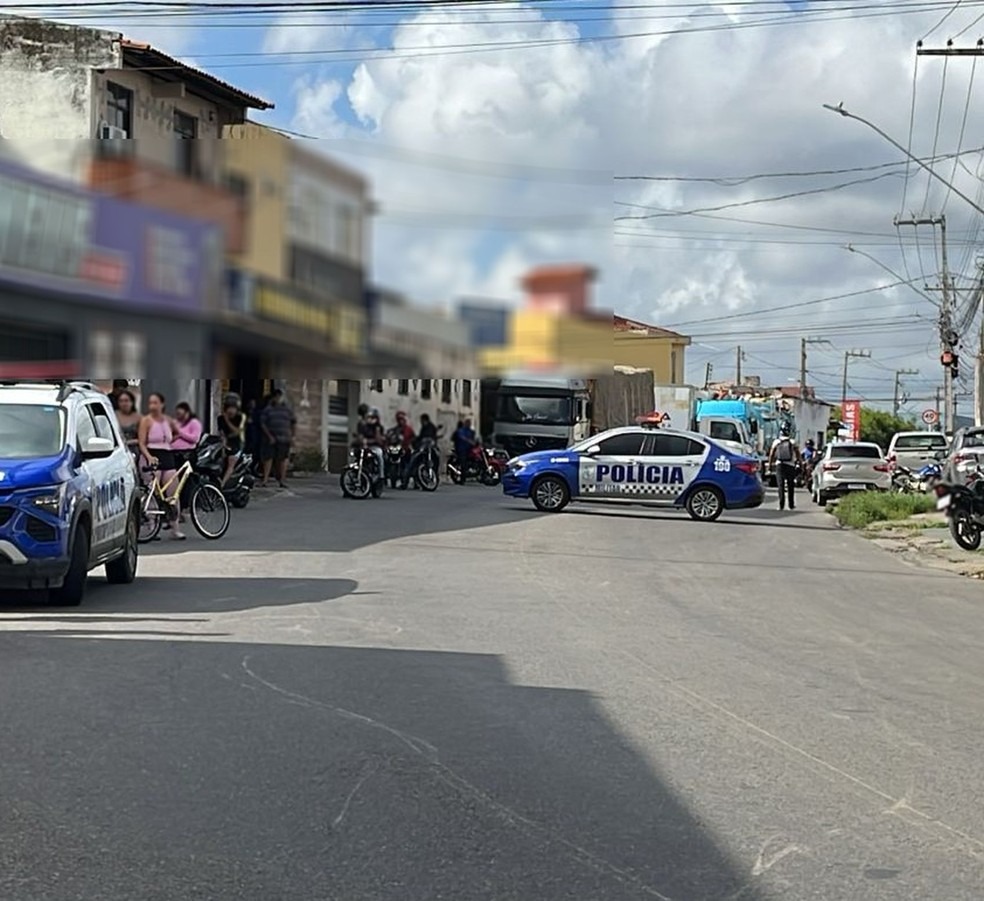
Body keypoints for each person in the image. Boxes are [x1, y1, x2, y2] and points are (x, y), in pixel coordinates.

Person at [138, 392, 184, 540]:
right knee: (152, 492)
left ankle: (175, 527)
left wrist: (170, 442)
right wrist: (149, 457)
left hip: (167, 455)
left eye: (155, 403)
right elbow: (141, 442)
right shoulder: (146, 421)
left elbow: (178, 433)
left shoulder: (168, 420)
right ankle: (152, 525)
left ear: (162, 404)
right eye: (150, 403)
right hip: (151, 455)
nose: (153, 406)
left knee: (173, 493)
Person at [260, 388, 296, 489]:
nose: (278, 399)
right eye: (276, 397)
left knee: (283, 459)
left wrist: (292, 436)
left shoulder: (287, 410)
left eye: (279, 397)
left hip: (284, 438)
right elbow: (263, 423)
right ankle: (265, 480)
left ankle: (282, 481)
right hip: (271, 438)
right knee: (268, 458)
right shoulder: (268, 409)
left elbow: (293, 422)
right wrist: (269, 436)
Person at [769, 423, 802, 511]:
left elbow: (771, 454)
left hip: (779, 465)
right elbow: (798, 454)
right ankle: (791, 505)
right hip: (790, 465)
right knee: (790, 485)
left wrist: (769, 465)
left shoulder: (776, 442)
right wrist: (800, 464)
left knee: (781, 486)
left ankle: (781, 505)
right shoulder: (792, 442)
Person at [217, 396, 246, 487]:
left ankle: (222, 485)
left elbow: (237, 431)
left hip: (237, 443)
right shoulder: (220, 418)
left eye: (233, 408)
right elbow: (222, 433)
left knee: (231, 463)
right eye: (229, 407)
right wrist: (223, 443)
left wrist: (227, 420)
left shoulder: (240, 417)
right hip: (225, 443)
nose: (231, 410)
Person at [355, 404, 385, 477]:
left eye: (373, 417)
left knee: (379, 455)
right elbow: (360, 436)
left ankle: (381, 476)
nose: (371, 419)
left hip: (374, 447)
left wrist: (369, 440)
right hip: (364, 447)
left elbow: (379, 440)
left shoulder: (378, 427)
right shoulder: (363, 425)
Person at [114, 389, 141, 458]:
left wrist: (129, 442)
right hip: (116, 450)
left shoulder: (139, 418)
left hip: (133, 450)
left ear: (132, 402)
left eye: (126, 401)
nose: (124, 404)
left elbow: (143, 438)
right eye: (121, 401)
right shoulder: (113, 415)